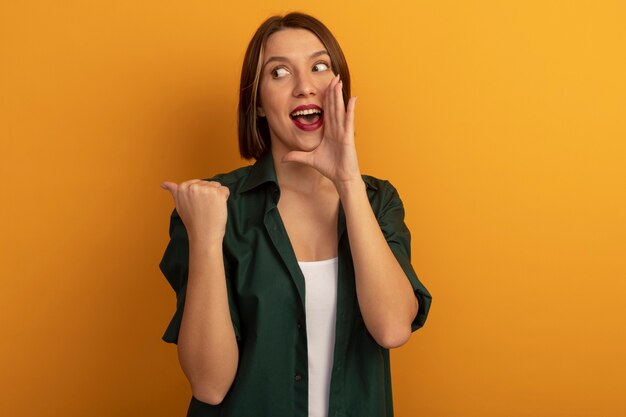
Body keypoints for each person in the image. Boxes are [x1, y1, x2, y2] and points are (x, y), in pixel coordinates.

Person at [159, 12, 431, 417]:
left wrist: (348, 181)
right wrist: (206, 240)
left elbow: (392, 329)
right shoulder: (213, 207)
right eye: (279, 73)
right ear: (258, 106)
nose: (305, 86)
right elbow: (209, 386)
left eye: (320, 67)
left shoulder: (377, 200)